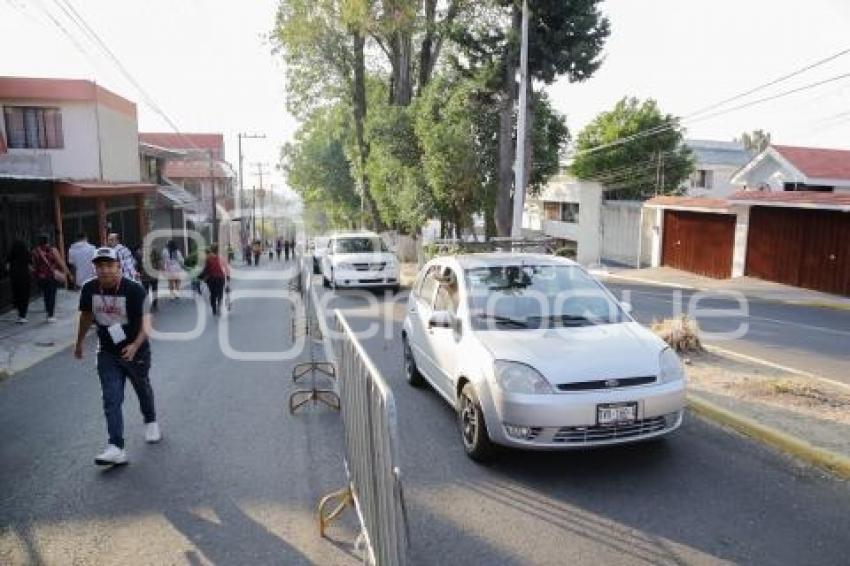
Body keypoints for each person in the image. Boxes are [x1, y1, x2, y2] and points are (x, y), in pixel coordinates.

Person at [75, 246, 160, 466]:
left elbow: (147, 322)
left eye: (109, 265)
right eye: (100, 266)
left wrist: (135, 345)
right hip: (107, 351)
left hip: (136, 351)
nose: (104, 271)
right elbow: (86, 316)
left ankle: (150, 420)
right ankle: (116, 446)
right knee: (111, 398)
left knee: (142, 389)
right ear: (95, 268)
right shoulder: (89, 289)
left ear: (118, 266)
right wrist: (79, 343)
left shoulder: (134, 290)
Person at [31, 234, 72, 323]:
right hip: (51, 276)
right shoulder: (52, 250)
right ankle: (50, 314)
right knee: (52, 294)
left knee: (46, 294)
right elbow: (60, 262)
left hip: (41, 277)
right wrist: (68, 273)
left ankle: (48, 310)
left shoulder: (35, 251)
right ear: (48, 241)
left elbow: (34, 266)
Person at [200, 244, 230, 316]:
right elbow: (226, 268)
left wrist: (201, 276)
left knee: (213, 293)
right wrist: (228, 277)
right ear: (218, 250)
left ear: (211, 250)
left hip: (211, 279)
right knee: (220, 293)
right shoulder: (221, 258)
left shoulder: (208, 258)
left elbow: (206, 269)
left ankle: (214, 308)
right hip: (220, 278)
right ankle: (219, 305)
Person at [7, 239, 32, 323]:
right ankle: (23, 315)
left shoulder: (11, 255)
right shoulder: (26, 254)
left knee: (17, 295)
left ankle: (19, 312)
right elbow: (30, 266)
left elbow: (7, 267)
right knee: (25, 296)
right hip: (25, 277)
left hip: (15, 278)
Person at [135, 244, 161, 312]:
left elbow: (137, 264)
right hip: (147, 275)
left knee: (148, 290)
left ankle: (151, 304)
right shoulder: (140, 253)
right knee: (152, 290)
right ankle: (153, 304)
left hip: (148, 275)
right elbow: (138, 264)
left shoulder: (140, 253)